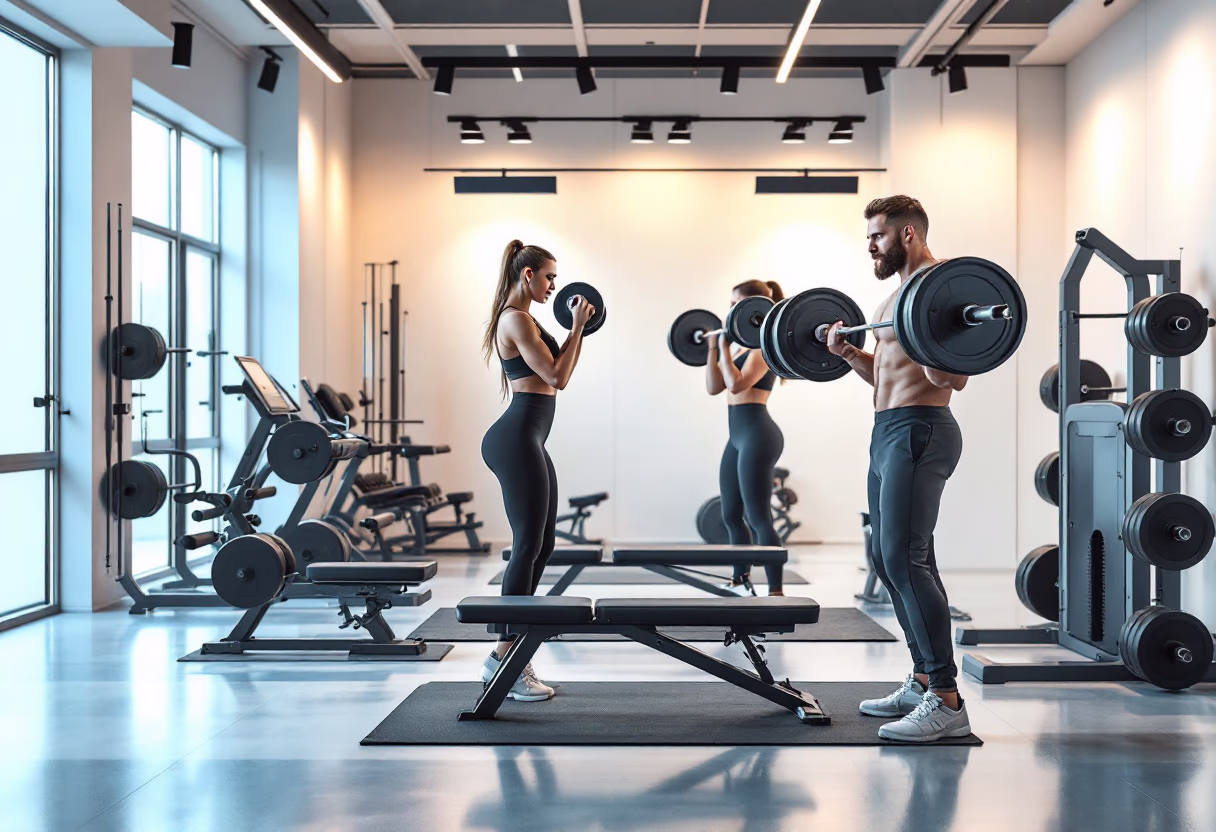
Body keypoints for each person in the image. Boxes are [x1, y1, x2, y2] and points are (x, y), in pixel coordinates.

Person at [825, 195, 970, 742]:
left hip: (922, 431)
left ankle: (947, 700)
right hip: (887, 431)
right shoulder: (892, 297)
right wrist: (848, 355)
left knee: (901, 559)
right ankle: (921, 677)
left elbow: (950, 379)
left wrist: (922, 336)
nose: (870, 246)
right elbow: (882, 376)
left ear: (908, 234)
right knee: (891, 563)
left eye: (877, 235)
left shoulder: (945, 291)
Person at [479, 240, 594, 702]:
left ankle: (511, 648)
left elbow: (556, 373)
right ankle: (505, 656)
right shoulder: (515, 319)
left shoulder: (525, 319)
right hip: (515, 437)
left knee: (542, 543)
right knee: (527, 545)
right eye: (549, 277)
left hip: (529, 437)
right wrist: (579, 327)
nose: (553, 285)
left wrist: (576, 331)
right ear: (527, 275)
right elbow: (557, 377)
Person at [705, 280, 787, 596]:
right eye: (729, 305)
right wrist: (714, 347)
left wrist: (723, 348)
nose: (729, 312)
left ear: (752, 309)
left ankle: (777, 590)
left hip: (758, 434)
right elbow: (714, 387)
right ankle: (741, 579)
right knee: (730, 514)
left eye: (736, 305)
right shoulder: (737, 347)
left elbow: (737, 384)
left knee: (758, 516)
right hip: (736, 436)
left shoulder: (762, 347)